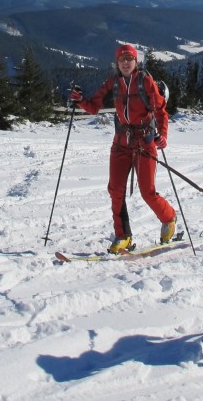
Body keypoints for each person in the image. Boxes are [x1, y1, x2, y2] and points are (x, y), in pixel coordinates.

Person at [70, 44, 177, 253]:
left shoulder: (145, 81)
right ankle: (122, 236)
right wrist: (81, 101)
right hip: (120, 143)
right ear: (117, 64)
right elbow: (94, 106)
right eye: (122, 60)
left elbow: (161, 110)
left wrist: (162, 135)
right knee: (115, 190)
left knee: (147, 192)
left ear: (136, 62)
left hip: (144, 142)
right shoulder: (113, 82)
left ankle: (169, 217)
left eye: (129, 59)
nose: (126, 62)